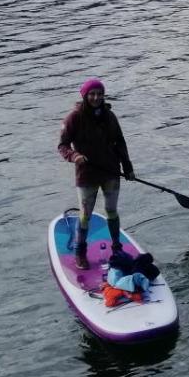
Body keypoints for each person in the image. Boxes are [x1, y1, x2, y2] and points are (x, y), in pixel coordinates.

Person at [57, 78, 136, 268]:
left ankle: (117, 248)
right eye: (92, 94)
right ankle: (80, 252)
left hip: (111, 172)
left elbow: (120, 142)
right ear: (85, 96)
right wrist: (74, 155)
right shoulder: (74, 118)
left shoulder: (110, 116)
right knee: (85, 215)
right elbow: (62, 145)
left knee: (112, 210)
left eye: (100, 94)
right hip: (87, 175)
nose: (96, 97)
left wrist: (128, 167)